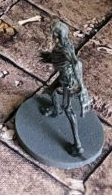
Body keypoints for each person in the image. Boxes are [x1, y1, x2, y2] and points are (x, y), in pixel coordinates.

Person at [38, 20, 92, 156]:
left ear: (56, 34)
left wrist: (82, 87)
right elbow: (61, 59)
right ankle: (56, 110)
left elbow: (76, 64)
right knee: (50, 91)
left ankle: (78, 145)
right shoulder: (63, 44)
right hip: (63, 75)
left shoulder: (66, 48)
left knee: (68, 109)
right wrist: (50, 58)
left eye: (53, 32)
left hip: (68, 81)